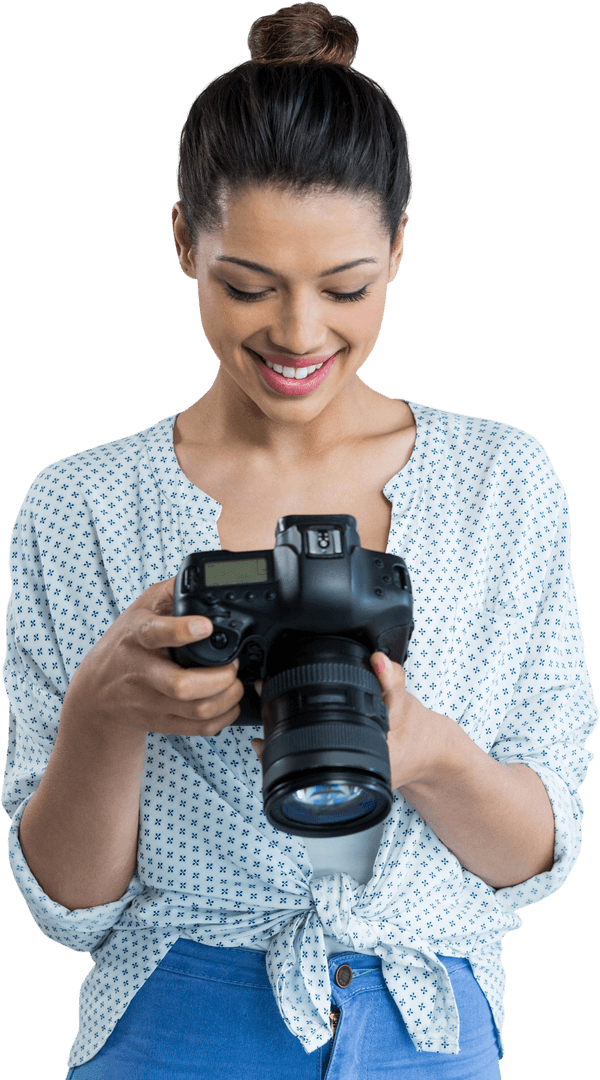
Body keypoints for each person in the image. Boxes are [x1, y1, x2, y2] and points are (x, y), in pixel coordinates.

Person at [2, 3, 597, 1077]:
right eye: (248, 285)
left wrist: (419, 750)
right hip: (171, 1016)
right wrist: (104, 712)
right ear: (182, 239)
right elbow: (67, 909)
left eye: (347, 287)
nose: (299, 334)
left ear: (401, 247)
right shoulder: (80, 503)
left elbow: (538, 860)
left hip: (429, 1024)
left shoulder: (500, 480)